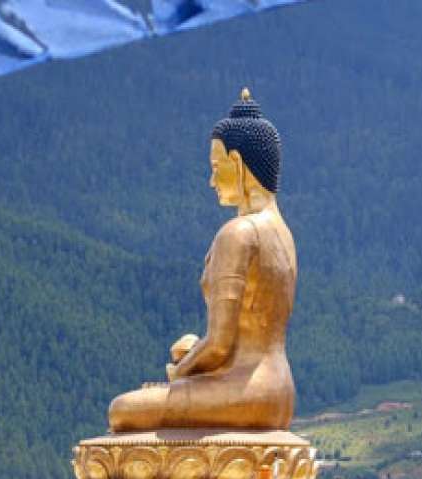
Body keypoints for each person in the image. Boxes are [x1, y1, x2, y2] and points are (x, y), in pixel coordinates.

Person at [108, 89, 297, 432]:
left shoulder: (239, 234)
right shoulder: (282, 234)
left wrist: (177, 374)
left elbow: (221, 345)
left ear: (237, 164)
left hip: (243, 389)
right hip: (280, 391)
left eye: (216, 168)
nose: (211, 181)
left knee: (122, 411)